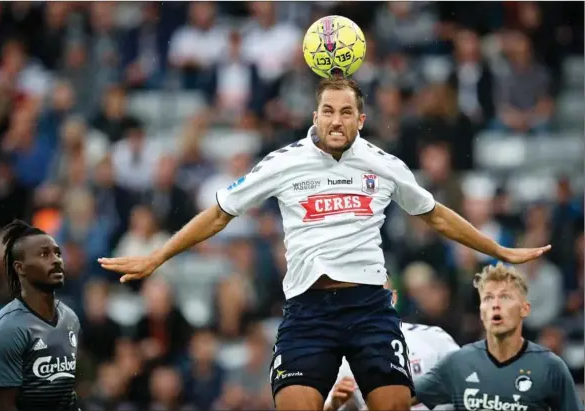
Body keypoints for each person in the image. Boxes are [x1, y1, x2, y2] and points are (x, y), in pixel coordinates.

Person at [98, 78, 550, 411]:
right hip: (307, 310)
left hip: (370, 308)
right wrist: (158, 256)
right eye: (328, 111)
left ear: (361, 118)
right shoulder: (284, 162)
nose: (336, 120)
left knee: (395, 407)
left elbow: (435, 215)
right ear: (315, 116)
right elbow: (219, 214)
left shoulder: (384, 164)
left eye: (346, 112)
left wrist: (500, 250)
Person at [412, 262, 583, 411]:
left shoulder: (551, 368)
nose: (495, 305)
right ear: (481, 311)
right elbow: (397, 400)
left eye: (505, 297)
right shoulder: (457, 363)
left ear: (525, 309)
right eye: (488, 298)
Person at [0, 220, 81, 411]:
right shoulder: (7, 329)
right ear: (20, 268)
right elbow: (3, 406)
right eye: (44, 254)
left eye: (58, 253)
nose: (56, 260)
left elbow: (68, 394)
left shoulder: (70, 319)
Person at [325, 285, 459, 411]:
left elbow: (468, 383)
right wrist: (334, 405)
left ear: (393, 298)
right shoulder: (343, 360)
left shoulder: (434, 339)